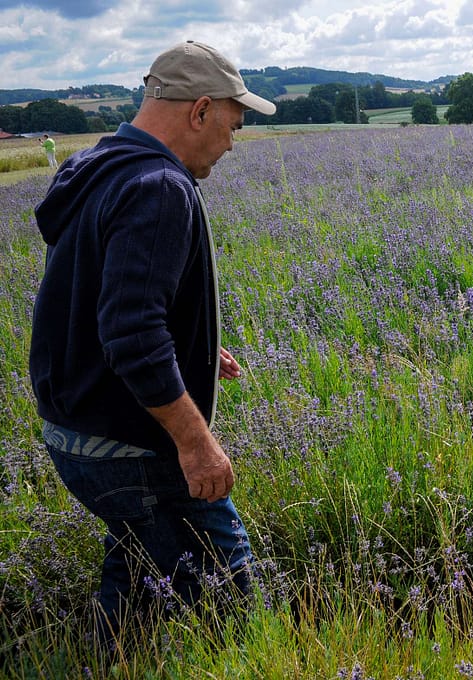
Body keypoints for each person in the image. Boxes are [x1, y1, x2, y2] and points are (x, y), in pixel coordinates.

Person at [29, 41, 276, 651]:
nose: (230, 144)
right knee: (230, 597)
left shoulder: (100, 164)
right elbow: (133, 334)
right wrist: (196, 445)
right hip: (131, 447)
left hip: (76, 433)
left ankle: (100, 660)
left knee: (139, 578)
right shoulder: (158, 185)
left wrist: (191, 350)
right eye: (231, 124)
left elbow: (104, 293)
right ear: (198, 112)